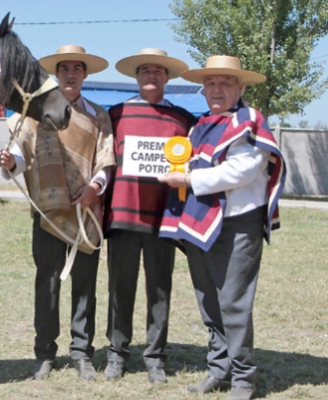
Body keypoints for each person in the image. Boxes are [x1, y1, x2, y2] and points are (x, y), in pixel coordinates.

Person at [157, 55, 285, 400]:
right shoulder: (200, 126)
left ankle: (244, 378)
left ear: (240, 87)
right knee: (208, 301)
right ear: (203, 88)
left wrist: (186, 178)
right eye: (211, 82)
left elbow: (241, 171)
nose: (217, 89)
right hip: (200, 222)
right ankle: (220, 369)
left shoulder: (250, 120)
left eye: (225, 83)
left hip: (237, 225)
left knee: (233, 302)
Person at [0, 45, 116, 381]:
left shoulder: (99, 116)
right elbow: (21, 154)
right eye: (64, 68)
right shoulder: (36, 113)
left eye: (77, 68)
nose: (70, 74)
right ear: (56, 73)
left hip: (85, 215)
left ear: (85, 74)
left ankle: (82, 353)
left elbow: (106, 159)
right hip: (48, 214)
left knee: (85, 287)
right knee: (46, 284)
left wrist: (94, 188)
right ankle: (45, 354)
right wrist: (11, 163)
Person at [102, 48, 196, 384]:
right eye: (145, 70)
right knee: (119, 289)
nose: (151, 76)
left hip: (164, 218)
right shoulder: (115, 114)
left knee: (160, 290)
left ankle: (155, 357)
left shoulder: (184, 120)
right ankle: (117, 354)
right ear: (136, 76)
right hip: (123, 215)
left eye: (158, 70)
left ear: (167, 77)